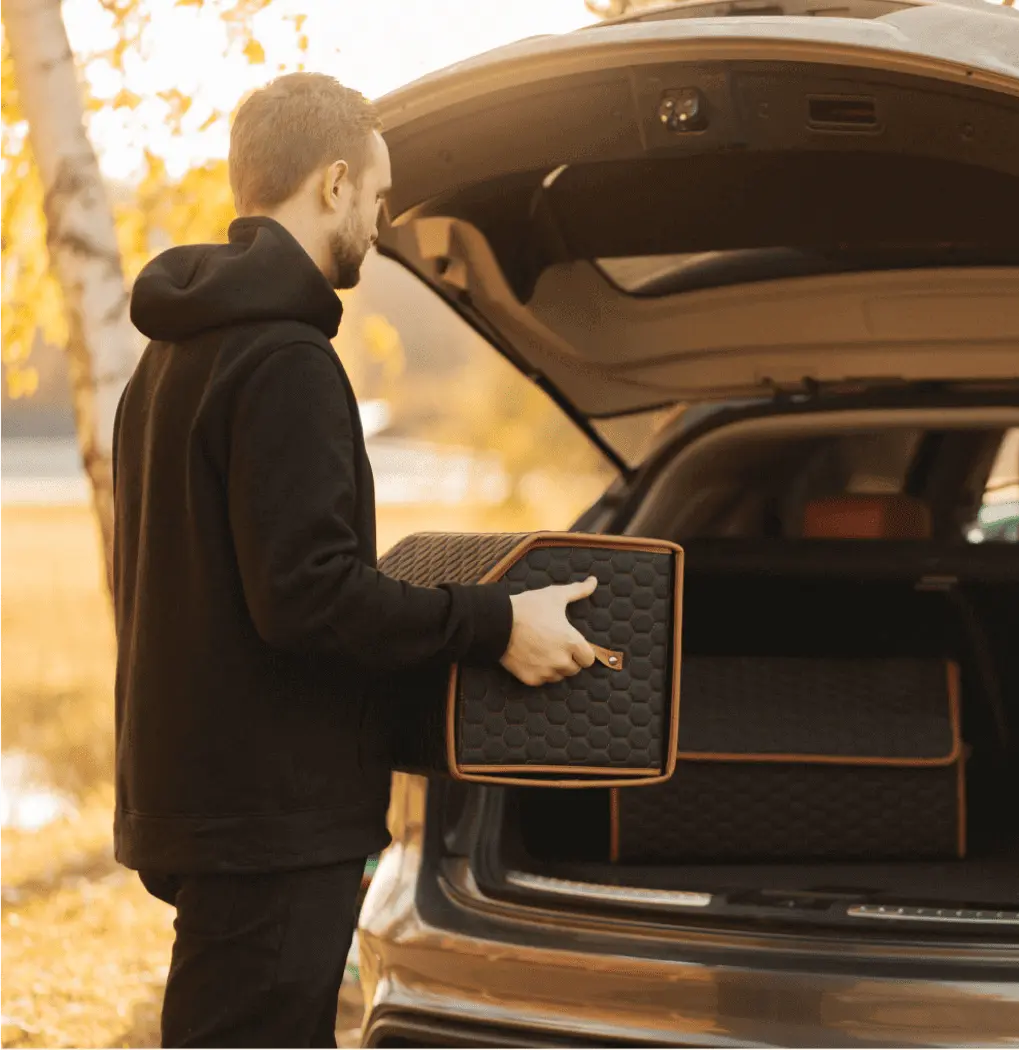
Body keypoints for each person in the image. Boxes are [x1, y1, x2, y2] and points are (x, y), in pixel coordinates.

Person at [112, 72, 597, 1049]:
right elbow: (307, 596)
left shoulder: (171, 358)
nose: (380, 225)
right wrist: (498, 622)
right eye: (377, 198)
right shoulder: (285, 359)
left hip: (207, 801)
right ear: (332, 183)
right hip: (274, 819)